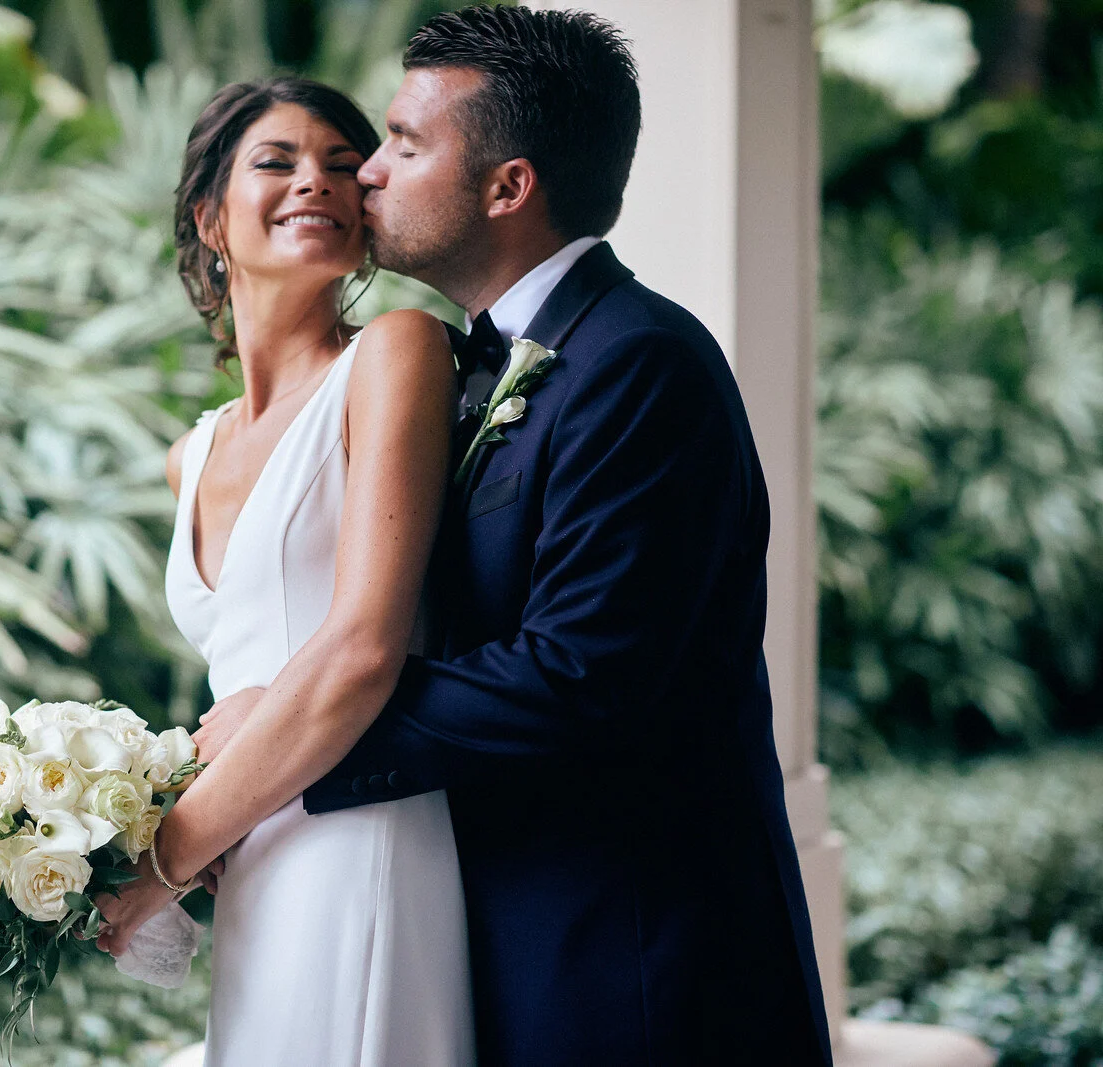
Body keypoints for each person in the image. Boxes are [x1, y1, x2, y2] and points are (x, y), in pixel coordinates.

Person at [187, 6, 836, 1066]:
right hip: (485, 927)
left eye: (402, 143)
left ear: (507, 186)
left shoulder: (637, 362)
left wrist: (288, 744)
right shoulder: (467, 365)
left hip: (632, 962)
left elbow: (577, 673)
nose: (369, 177)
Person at [94, 78, 475, 1066]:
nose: (319, 181)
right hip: (253, 849)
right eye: (278, 162)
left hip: (362, 829)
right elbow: (241, 669)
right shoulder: (191, 453)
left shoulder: (394, 353)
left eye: (345, 167)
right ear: (210, 218)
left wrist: (164, 858)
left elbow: (359, 649)